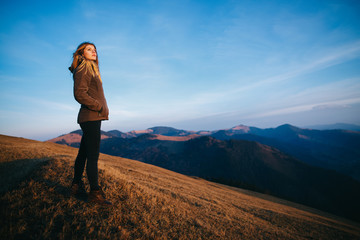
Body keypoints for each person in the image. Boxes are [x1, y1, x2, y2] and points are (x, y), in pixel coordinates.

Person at [68, 42, 112, 205]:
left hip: (91, 117)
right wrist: (98, 106)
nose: (93, 52)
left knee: (84, 154)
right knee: (93, 157)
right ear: (81, 52)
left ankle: (76, 186)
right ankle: (95, 193)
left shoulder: (91, 68)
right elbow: (79, 94)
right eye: (89, 49)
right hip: (91, 117)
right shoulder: (84, 67)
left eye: (94, 50)